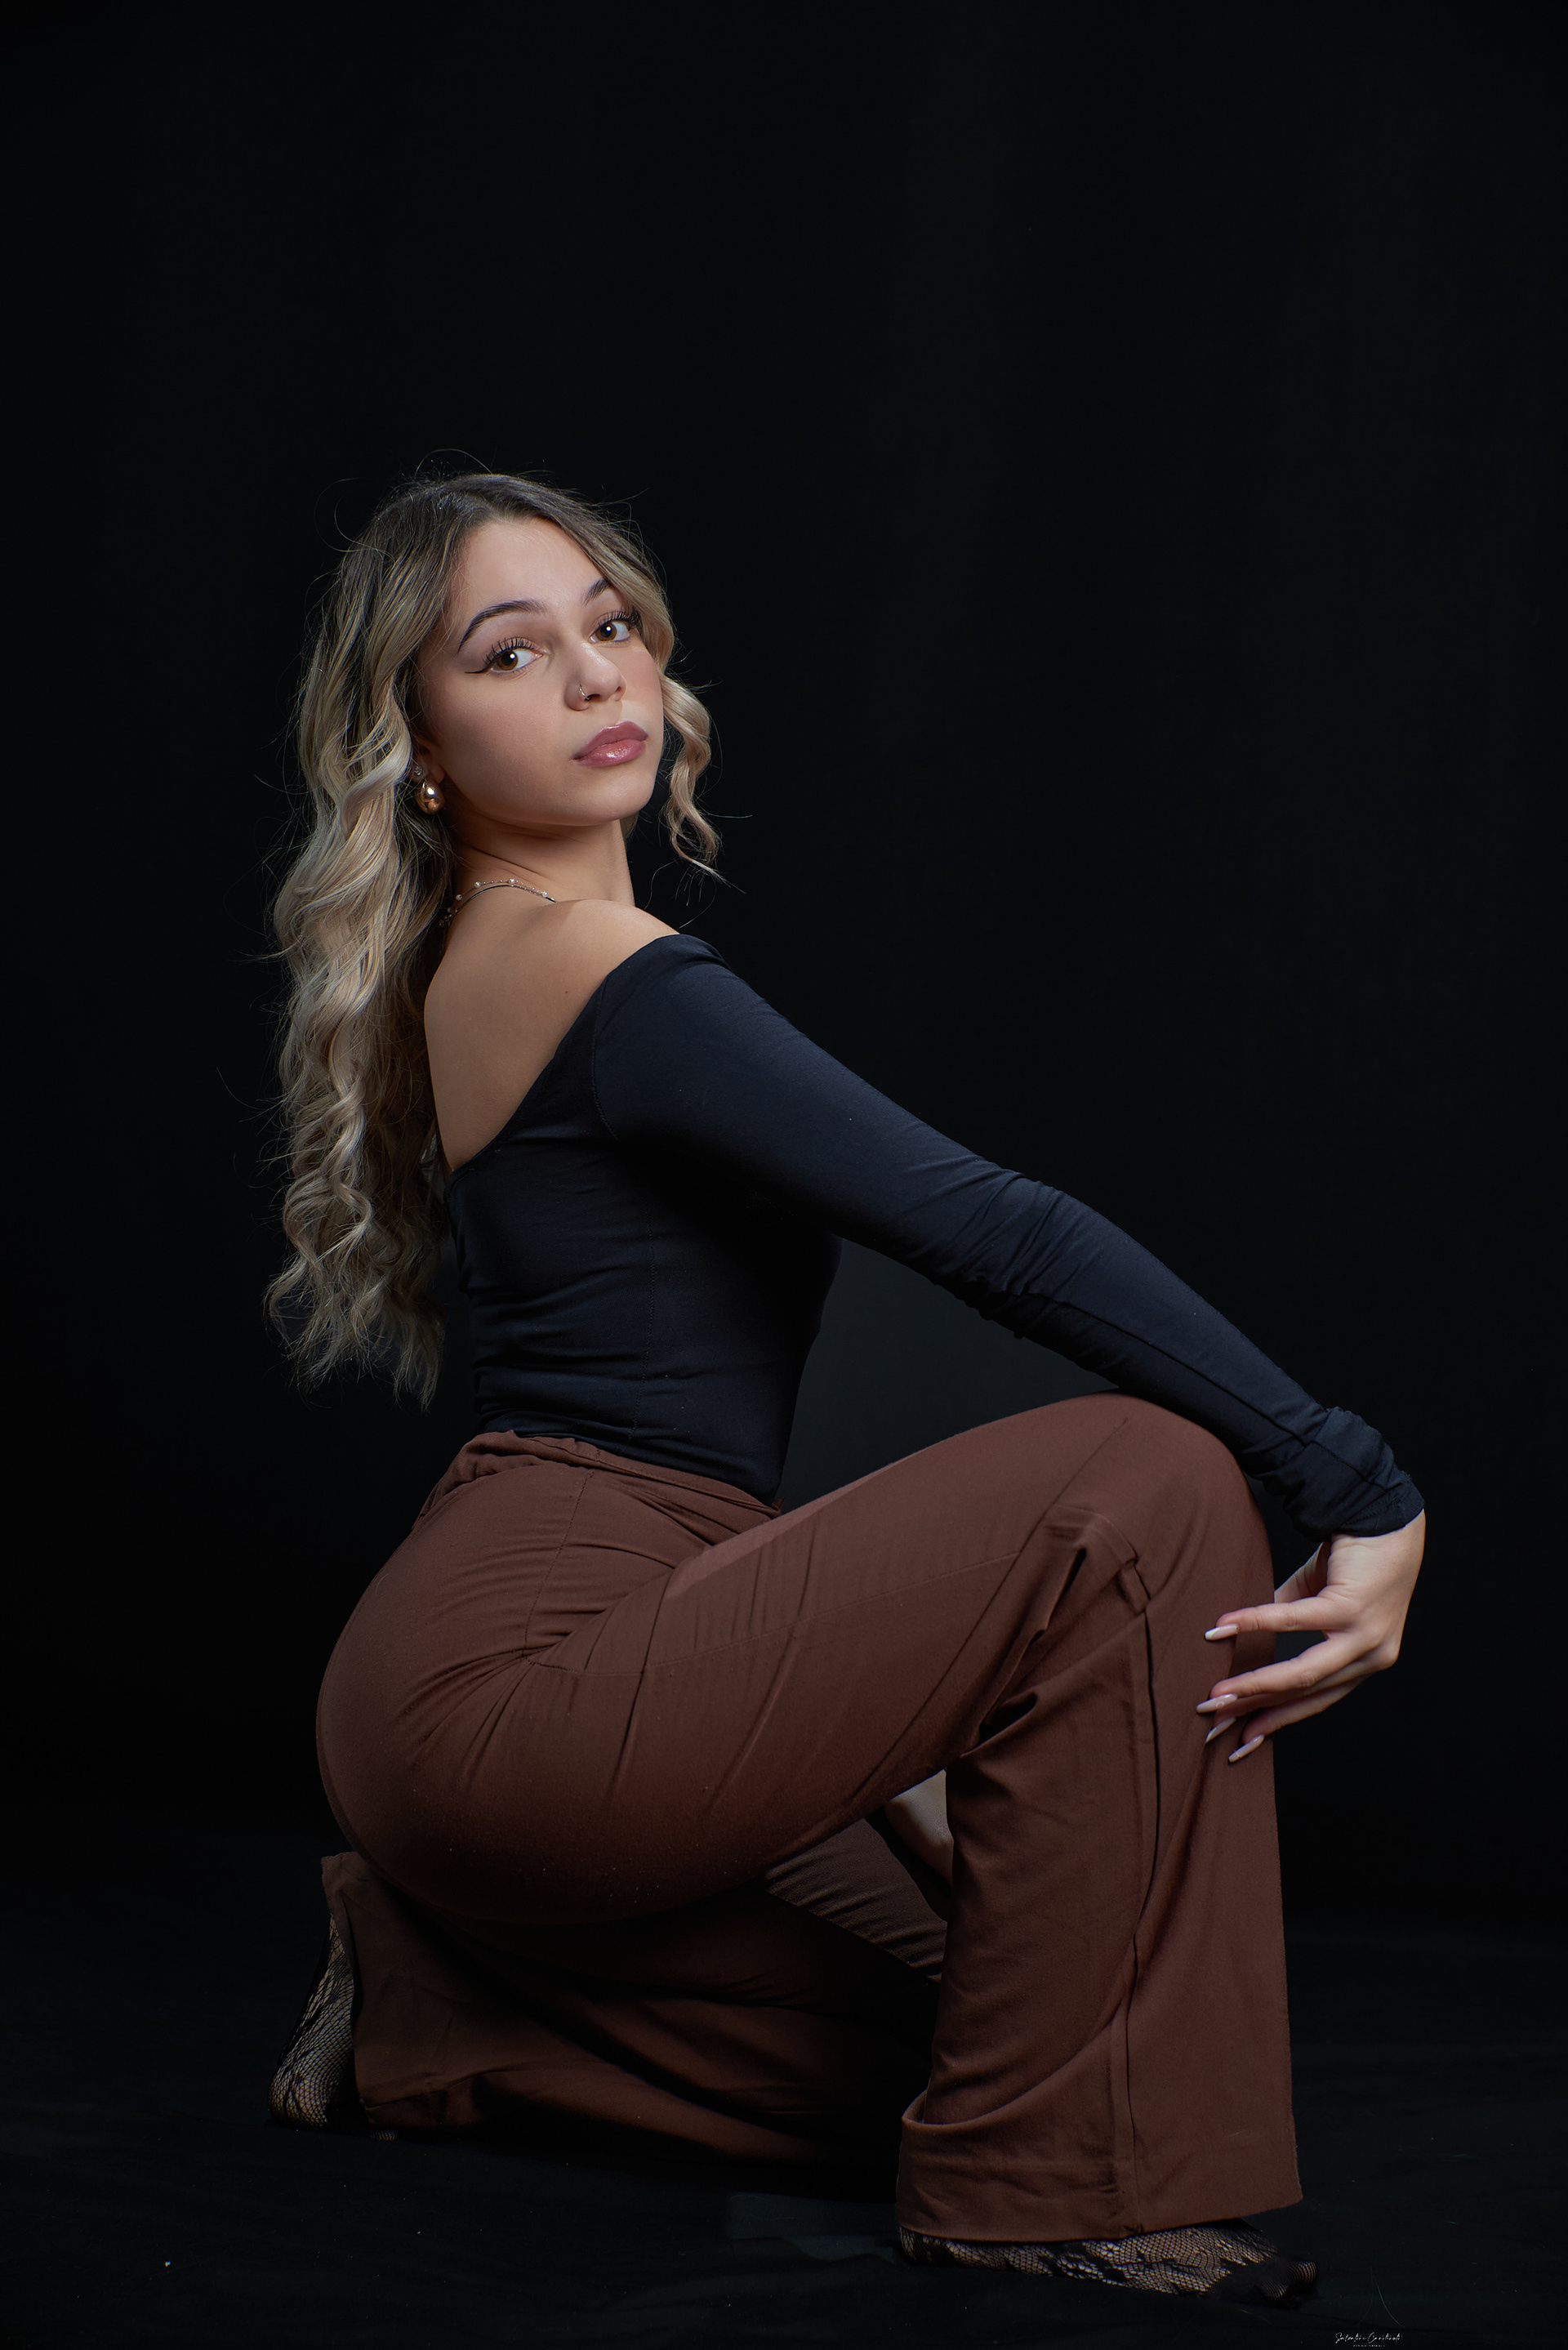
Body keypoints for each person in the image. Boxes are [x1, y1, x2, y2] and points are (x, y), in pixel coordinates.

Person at [265, 471, 1424, 2305]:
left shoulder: (492, 955)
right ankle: (1041, 2202)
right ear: (415, 750)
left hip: (551, 1674)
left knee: (1007, 2014)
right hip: (522, 1677)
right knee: (1141, 1480)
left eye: (609, 623)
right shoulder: (600, 968)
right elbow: (995, 1232)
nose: (595, 674)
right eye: (511, 651)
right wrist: (1355, 1478)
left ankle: (427, 1991)